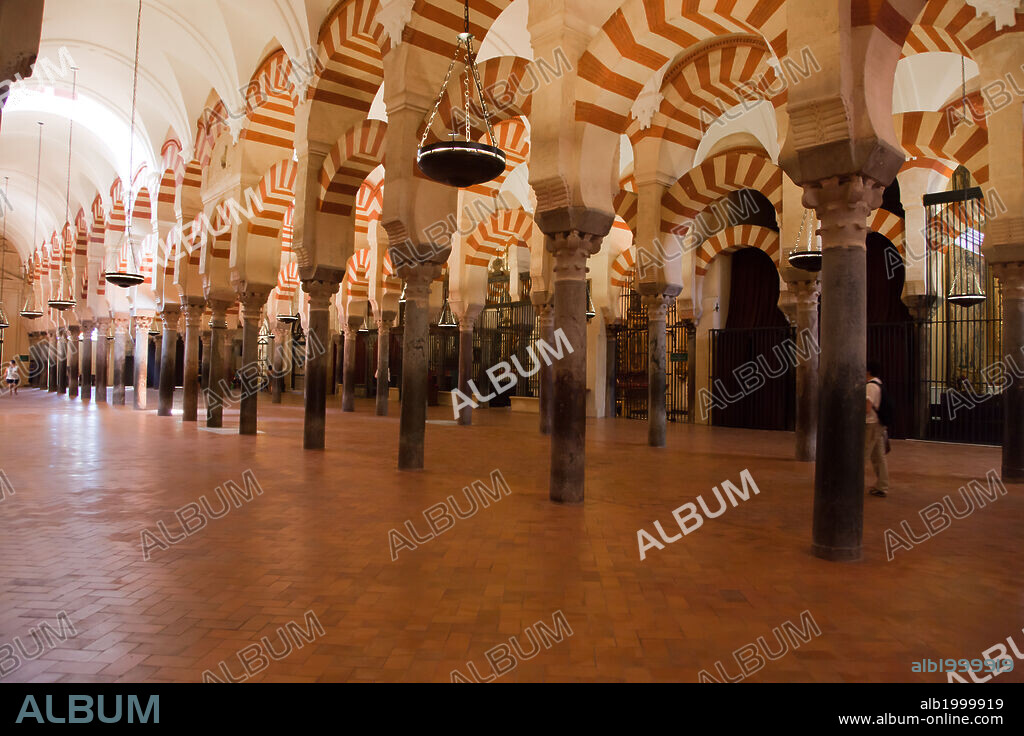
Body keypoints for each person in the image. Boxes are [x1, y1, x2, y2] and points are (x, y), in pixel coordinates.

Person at [866, 361, 890, 497]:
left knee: (863, 455)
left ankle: (852, 484)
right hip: (879, 424)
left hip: (871, 425)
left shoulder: (870, 387)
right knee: (879, 456)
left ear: (868, 371)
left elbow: (867, 408)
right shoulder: (879, 383)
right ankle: (882, 486)